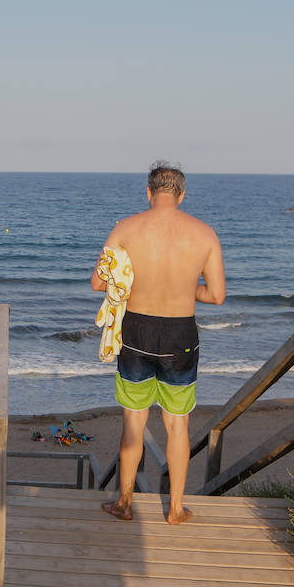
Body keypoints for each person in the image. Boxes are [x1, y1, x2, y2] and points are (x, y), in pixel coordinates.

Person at [90, 163, 225, 525]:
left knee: (134, 423)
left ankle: (124, 503)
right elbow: (216, 295)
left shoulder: (126, 228)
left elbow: (98, 284)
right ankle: (177, 508)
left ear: (148, 192)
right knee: (177, 425)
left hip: (136, 331)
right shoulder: (205, 234)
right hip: (180, 335)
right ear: (181, 195)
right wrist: (187, 289)